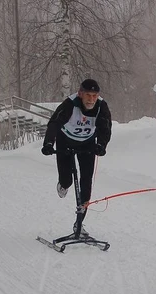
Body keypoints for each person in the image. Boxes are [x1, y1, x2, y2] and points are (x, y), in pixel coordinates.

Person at [41, 79, 112, 235]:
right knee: (67, 179)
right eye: (88, 95)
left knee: (86, 182)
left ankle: (79, 222)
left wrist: (101, 145)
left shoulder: (101, 107)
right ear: (80, 93)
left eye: (94, 96)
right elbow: (54, 123)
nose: (91, 99)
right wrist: (48, 144)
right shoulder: (70, 104)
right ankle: (63, 184)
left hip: (87, 144)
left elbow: (105, 128)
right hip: (65, 141)